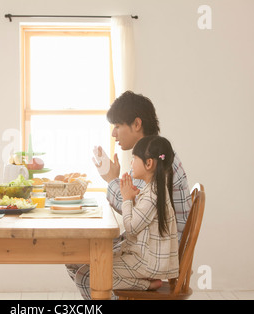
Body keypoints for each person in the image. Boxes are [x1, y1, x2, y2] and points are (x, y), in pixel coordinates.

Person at [70, 136, 179, 299]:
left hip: (147, 264)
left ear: (148, 164)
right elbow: (141, 222)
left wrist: (127, 198)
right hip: (145, 260)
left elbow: (131, 227)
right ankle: (146, 285)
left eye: (134, 158)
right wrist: (133, 199)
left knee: (85, 275)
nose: (131, 163)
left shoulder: (152, 195)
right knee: (83, 264)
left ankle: (145, 284)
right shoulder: (154, 191)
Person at [93, 91, 191, 241]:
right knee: (79, 255)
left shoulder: (154, 160)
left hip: (157, 253)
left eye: (118, 126)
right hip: (148, 242)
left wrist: (111, 179)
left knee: (79, 254)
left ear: (137, 124)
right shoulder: (153, 153)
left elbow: (133, 210)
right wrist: (115, 179)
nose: (114, 134)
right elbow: (136, 198)